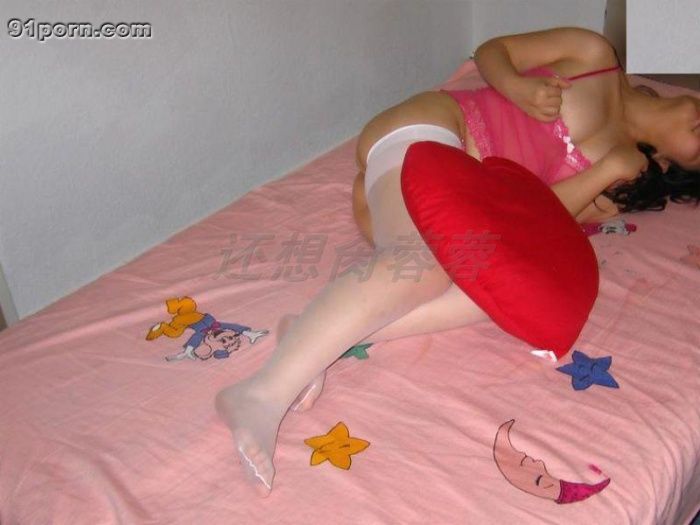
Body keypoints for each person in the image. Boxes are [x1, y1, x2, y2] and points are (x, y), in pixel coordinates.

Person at [215, 26, 700, 496]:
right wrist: (516, 86)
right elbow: (493, 50)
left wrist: (610, 170)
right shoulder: (595, 56)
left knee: (498, 294)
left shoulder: (624, 178)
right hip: (430, 134)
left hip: (448, 205)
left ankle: (317, 333)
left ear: (678, 168)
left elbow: (539, 222)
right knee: (425, 270)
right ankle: (262, 393)